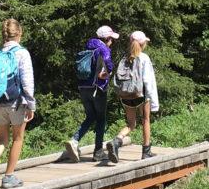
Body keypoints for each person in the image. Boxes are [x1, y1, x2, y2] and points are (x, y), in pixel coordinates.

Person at [0, 18, 35, 189]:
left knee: (1, 139)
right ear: (19, 33)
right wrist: (31, 104)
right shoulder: (22, 53)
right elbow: (27, 82)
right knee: (17, 138)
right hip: (17, 103)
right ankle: (8, 177)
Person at [64, 25, 119, 163]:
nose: (112, 42)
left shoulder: (88, 46)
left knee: (90, 116)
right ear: (107, 38)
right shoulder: (103, 48)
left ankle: (74, 140)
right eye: (111, 39)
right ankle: (98, 152)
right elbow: (108, 63)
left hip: (83, 87)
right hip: (97, 88)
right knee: (101, 118)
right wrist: (110, 71)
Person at [105, 31, 160, 162]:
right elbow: (148, 81)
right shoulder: (144, 58)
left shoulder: (125, 57)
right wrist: (154, 102)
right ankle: (146, 151)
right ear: (143, 43)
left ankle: (117, 141)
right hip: (140, 95)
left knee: (131, 124)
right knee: (145, 120)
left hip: (126, 95)